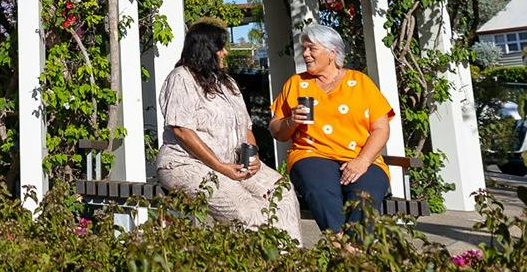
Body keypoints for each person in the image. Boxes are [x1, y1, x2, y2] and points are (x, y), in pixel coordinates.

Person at [156, 21, 302, 241]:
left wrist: (253, 156)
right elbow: (181, 130)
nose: (225, 52)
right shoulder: (181, 78)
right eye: (220, 47)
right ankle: (259, 260)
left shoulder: (227, 83)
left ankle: (291, 258)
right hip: (186, 164)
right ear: (206, 50)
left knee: (283, 193)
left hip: (233, 163)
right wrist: (220, 167)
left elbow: (246, 126)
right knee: (247, 209)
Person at [268, 22, 395, 233]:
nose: (305, 54)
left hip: (361, 156)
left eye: (311, 48)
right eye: (304, 48)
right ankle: (341, 243)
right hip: (312, 154)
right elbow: (276, 130)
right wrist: (292, 121)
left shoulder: (361, 82)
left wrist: (363, 160)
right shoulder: (296, 83)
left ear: (332, 53)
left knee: (365, 196)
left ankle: (350, 247)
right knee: (321, 191)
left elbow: (381, 128)